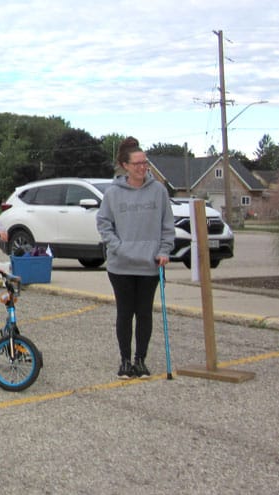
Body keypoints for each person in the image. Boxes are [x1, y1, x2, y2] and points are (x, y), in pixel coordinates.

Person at [96, 137, 175, 379]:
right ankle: (125, 360)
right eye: (138, 163)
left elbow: (167, 225)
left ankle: (141, 359)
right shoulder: (113, 193)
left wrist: (164, 250)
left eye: (145, 163)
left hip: (150, 264)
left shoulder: (159, 191)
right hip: (121, 265)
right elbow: (103, 223)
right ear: (125, 165)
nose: (143, 167)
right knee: (124, 312)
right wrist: (117, 246)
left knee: (144, 313)